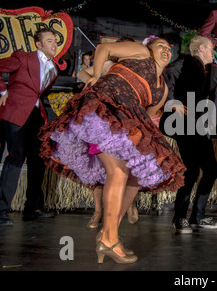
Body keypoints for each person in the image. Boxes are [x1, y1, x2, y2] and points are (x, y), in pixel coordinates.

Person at [39, 36, 186, 264]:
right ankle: (108, 240)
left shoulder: (163, 89)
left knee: (136, 177)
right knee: (118, 172)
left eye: (169, 48)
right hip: (104, 109)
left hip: (125, 120)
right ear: (150, 48)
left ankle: (109, 231)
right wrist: (96, 76)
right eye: (161, 46)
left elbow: (146, 116)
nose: (166, 50)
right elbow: (103, 48)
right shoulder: (140, 52)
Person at [0, 28, 60, 225]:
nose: (54, 44)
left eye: (55, 41)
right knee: (16, 156)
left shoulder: (54, 70)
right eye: (49, 41)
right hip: (16, 111)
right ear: (39, 45)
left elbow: (37, 91)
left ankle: (33, 208)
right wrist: (2, 90)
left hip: (36, 116)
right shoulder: (23, 57)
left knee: (37, 159)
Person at [76, 36, 139, 229]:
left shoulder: (136, 69)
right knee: (100, 171)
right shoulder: (109, 65)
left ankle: (128, 206)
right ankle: (97, 211)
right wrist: (93, 80)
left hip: (127, 122)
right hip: (104, 122)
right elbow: (80, 74)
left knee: (128, 167)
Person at [161, 35, 217, 234]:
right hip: (182, 122)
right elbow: (167, 75)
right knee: (192, 170)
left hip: (197, 124)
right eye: (211, 48)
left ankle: (197, 216)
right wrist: (171, 101)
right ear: (201, 48)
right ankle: (179, 218)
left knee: (210, 169)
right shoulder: (185, 61)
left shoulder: (207, 69)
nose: (214, 52)